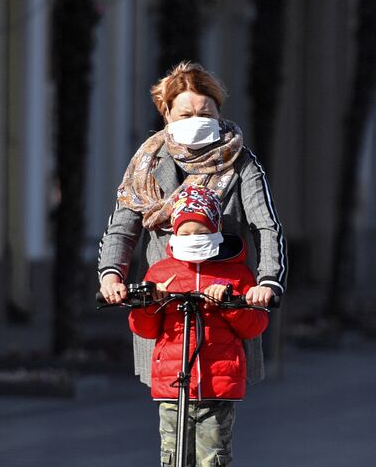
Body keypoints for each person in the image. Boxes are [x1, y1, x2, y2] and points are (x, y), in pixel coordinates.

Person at [98, 61, 287, 382]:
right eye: (186, 115)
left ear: (219, 114)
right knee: (170, 415)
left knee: (218, 408)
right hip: (164, 301)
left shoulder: (240, 161)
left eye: (206, 114)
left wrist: (267, 282)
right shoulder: (147, 164)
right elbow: (122, 227)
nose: (197, 121)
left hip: (224, 302)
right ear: (167, 114)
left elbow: (265, 226)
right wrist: (111, 277)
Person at [126, 186, 268, 467]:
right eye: (183, 231)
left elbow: (254, 325)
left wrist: (234, 302)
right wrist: (147, 301)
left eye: (199, 230)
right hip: (173, 388)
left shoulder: (234, 273)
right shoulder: (162, 271)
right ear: (172, 233)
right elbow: (145, 328)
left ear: (215, 229)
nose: (191, 238)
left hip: (217, 389)